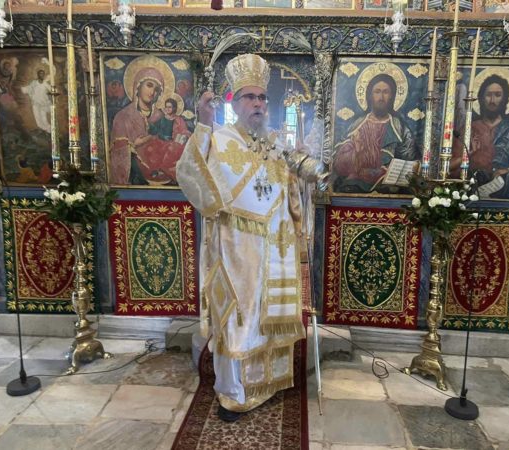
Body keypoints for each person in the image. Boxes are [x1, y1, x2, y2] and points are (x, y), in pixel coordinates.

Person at [176, 54, 306, 422]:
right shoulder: (218, 138)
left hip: (274, 247)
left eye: (262, 98)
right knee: (237, 320)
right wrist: (203, 123)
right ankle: (233, 394)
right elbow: (189, 173)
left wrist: (298, 179)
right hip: (235, 247)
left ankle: (266, 385)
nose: (258, 104)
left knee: (265, 318)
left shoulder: (274, 142)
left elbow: (286, 191)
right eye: (250, 97)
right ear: (235, 102)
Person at [333, 73, 417, 193]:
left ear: (392, 96)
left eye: (386, 92)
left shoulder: (400, 127)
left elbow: (410, 159)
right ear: (370, 95)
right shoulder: (357, 125)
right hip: (356, 184)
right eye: (377, 92)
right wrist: (355, 152)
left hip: (388, 186)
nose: (381, 97)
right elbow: (338, 161)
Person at [451, 74, 509, 199]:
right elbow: (449, 166)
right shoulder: (468, 129)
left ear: (505, 99)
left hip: (501, 194)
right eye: (488, 95)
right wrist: (467, 155)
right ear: (481, 98)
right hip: (469, 193)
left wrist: (507, 170)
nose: (492, 101)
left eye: (498, 95)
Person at [109, 67, 188, 185]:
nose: (152, 92)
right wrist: (131, 146)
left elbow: (176, 137)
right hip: (135, 177)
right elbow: (118, 151)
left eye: (156, 90)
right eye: (149, 85)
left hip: (165, 174)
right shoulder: (123, 117)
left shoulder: (161, 116)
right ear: (138, 86)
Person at [21, 69, 51, 134]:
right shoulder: (34, 82)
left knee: (43, 117)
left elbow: (51, 90)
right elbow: (29, 88)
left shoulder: (45, 83)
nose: (42, 75)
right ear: (38, 75)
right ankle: (43, 129)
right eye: (40, 73)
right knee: (37, 117)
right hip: (35, 102)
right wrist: (23, 89)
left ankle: (48, 129)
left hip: (43, 103)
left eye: (43, 74)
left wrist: (50, 94)